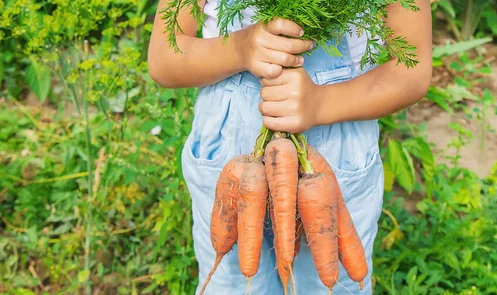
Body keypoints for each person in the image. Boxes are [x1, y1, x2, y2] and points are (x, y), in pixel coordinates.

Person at [148, 0, 432, 293]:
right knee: (233, 283)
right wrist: (239, 49)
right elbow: (163, 58)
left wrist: (321, 104)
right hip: (229, 158)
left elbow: (410, 72)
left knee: (333, 281)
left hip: (335, 156)